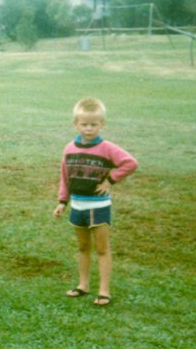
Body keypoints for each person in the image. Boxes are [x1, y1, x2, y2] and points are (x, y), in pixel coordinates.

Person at [53, 97, 138, 307]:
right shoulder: (69, 149)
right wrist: (62, 202)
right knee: (83, 247)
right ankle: (83, 285)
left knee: (102, 249)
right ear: (76, 124)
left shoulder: (107, 148)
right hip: (77, 206)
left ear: (102, 125)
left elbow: (130, 163)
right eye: (84, 124)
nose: (89, 129)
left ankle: (104, 290)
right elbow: (65, 176)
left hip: (98, 207)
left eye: (94, 124)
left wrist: (110, 180)